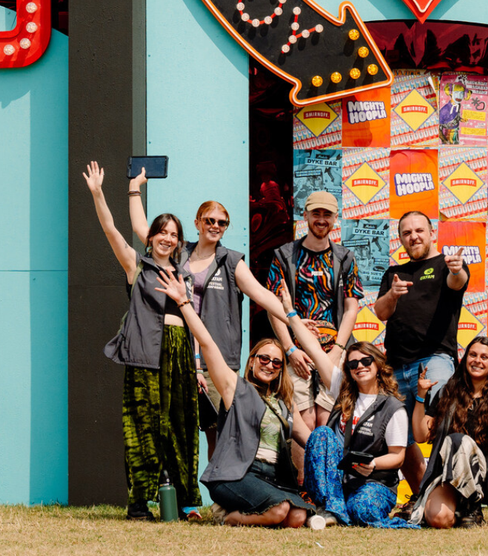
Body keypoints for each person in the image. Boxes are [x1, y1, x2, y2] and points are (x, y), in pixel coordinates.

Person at [128, 169, 291, 457]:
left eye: (222, 223)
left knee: (220, 430)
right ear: (198, 223)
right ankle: (181, 498)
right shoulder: (179, 253)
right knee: (180, 428)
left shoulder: (230, 261)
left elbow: (262, 295)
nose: (215, 226)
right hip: (179, 352)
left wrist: (294, 317)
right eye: (210, 221)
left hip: (218, 358)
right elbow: (144, 230)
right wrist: (134, 190)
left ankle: (220, 497)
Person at [154, 268, 320, 527]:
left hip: (272, 478)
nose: (269, 365)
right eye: (264, 358)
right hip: (236, 475)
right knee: (280, 511)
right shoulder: (236, 388)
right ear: (252, 361)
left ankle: (255, 513)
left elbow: (311, 441)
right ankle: (229, 516)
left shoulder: (284, 403)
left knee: (298, 516)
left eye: (276, 363)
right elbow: (207, 344)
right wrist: (184, 303)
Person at [82, 161, 198, 521]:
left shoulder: (185, 275)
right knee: (144, 427)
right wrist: (100, 194)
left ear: (179, 242)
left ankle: (183, 501)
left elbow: (192, 324)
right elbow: (112, 229)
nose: (167, 237)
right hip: (147, 355)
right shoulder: (137, 265)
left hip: (180, 357)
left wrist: (197, 365)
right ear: (151, 237)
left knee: (182, 427)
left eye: (174, 234)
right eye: (161, 232)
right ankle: (139, 503)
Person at [279, 285, 414, 528]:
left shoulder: (393, 407)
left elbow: (398, 456)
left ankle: (336, 511)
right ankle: (329, 506)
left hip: (375, 483)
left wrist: (372, 464)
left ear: (378, 365)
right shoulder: (342, 389)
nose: (359, 366)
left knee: (362, 510)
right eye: (353, 364)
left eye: (366, 361)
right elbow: (313, 348)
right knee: (321, 434)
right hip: (339, 481)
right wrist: (290, 313)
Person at [267, 191, 363, 480]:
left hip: (334, 349)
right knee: (302, 421)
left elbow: (351, 306)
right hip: (297, 349)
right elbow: (273, 306)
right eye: (316, 213)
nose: (321, 220)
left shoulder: (345, 258)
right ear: (305, 216)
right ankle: (303, 489)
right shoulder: (284, 255)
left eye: (327, 214)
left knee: (329, 419)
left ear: (335, 218)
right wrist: (290, 349)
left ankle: (329, 486)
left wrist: (338, 349)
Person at [374, 211, 469, 493]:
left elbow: (458, 281)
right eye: (406, 232)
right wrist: (392, 294)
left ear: (431, 233)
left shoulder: (446, 265)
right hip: (394, 367)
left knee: (440, 427)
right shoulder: (393, 273)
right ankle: (423, 498)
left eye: (419, 230)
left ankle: (452, 496)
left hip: (434, 360)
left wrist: (455, 270)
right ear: (400, 238)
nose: (413, 236)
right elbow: (380, 312)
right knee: (398, 437)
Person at [409, 337, 488, 528]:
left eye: (484, 357)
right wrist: (420, 396)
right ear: (465, 358)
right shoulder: (447, 393)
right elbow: (420, 436)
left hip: (484, 478)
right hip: (448, 476)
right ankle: (463, 510)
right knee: (438, 519)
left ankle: (472, 504)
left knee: (459, 440)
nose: (477, 360)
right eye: (473, 355)